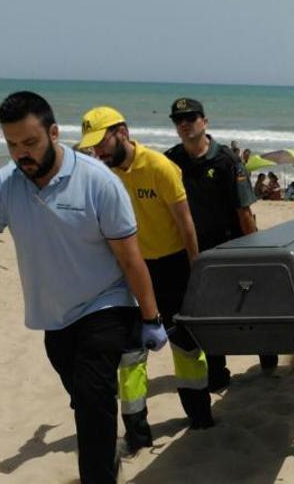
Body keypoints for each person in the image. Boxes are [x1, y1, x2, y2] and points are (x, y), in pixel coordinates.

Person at [0, 91, 167, 484]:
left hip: (106, 305)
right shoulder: (6, 186)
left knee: (92, 403)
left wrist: (151, 317)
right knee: (85, 402)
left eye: (30, 143)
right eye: (13, 145)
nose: (22, 154)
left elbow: (130, 257)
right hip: (53, 317)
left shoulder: (98, 181)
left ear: (53, 133)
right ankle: (106, 458)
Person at [78, 106, 213, 453]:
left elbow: (186, 225)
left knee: (186, 345)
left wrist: (196, 272)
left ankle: (199, 415)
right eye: (92, 146)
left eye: (102, 142)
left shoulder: (160, 167)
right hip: (129, 270)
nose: (98, 151)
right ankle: (137, 432)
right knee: (130, 354)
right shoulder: (102, 174)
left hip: (172, 268)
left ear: (121, 132)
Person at [164, 97, 275, 390]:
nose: (184, 124)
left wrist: (253, 254)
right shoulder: (170, 161)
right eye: (178, 120)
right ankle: (217, 373)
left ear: (205, 121)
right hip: (192, 252)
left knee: (251, 306)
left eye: (190, 118)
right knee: (206, 316)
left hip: (230, 248)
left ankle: (267, 352)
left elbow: (244, 212)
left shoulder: (227, 160)